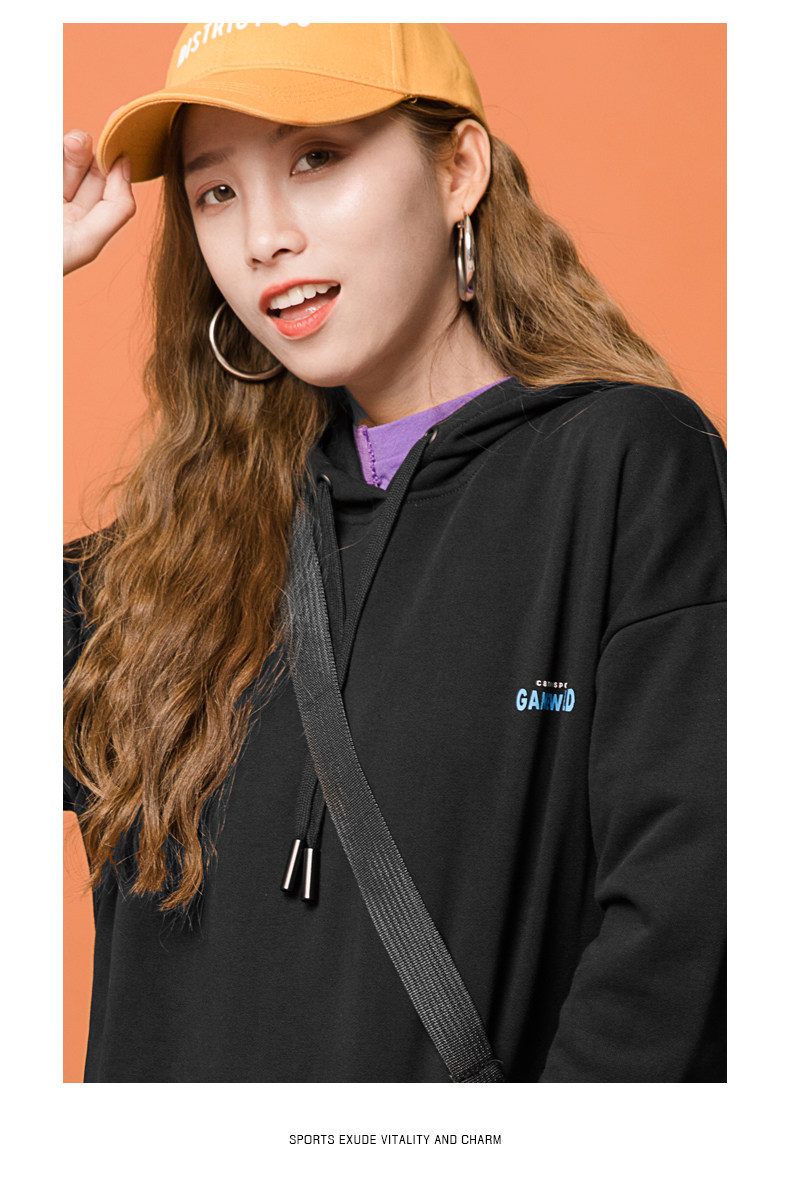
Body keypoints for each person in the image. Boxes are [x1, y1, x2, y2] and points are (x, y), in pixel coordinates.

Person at [63, 23, 726, 1083]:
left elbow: (686, 928)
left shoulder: (627, 469)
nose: (263, 238)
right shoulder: (165, 562)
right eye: (215, 192)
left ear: (457, 169)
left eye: (316, 158)